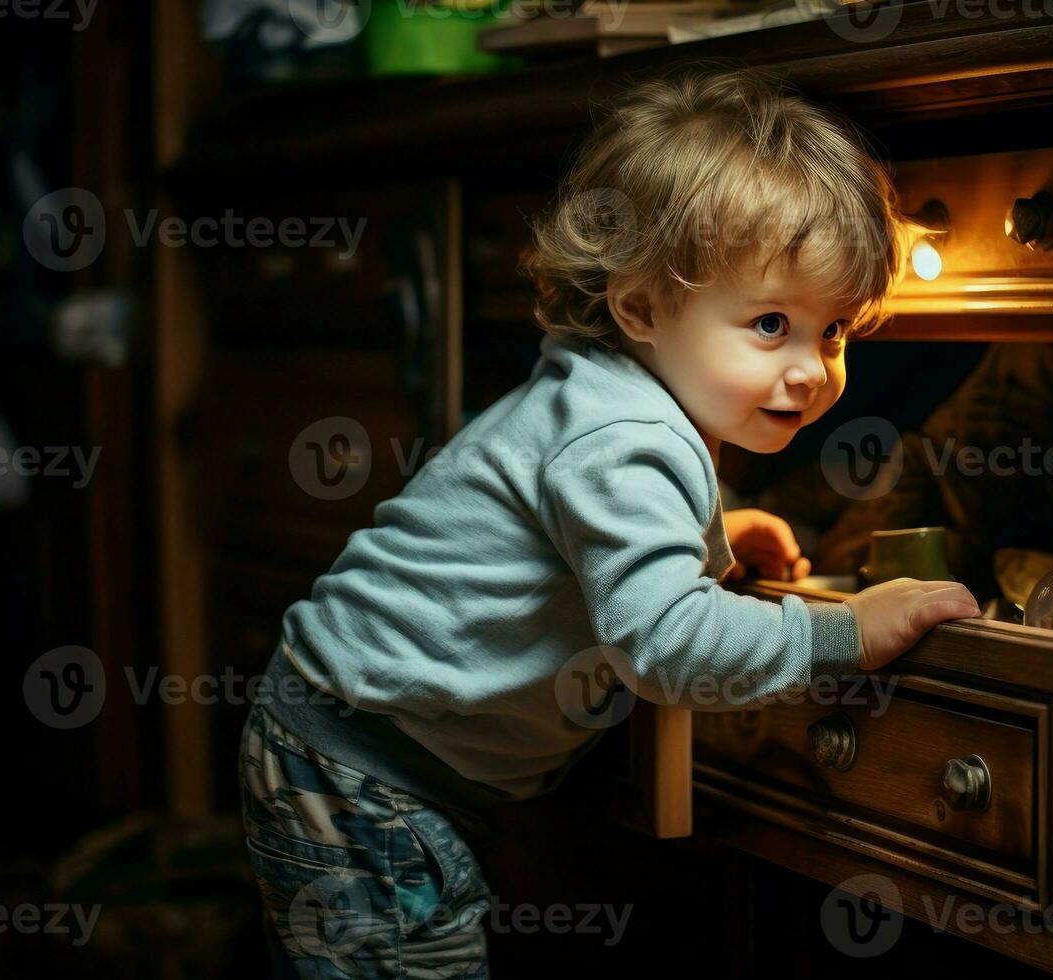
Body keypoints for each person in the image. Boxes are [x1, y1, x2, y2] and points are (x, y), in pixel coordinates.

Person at [238, 62, 981, 978]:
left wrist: (717, 533)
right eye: (770, 324)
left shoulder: (610, 397)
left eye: (832, 332)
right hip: (364, 775)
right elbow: (664, 644)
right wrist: (847, 632)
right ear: (639, 306)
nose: (812, 370)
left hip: (373, 748)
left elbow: (581, 533)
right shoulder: (625, 436)